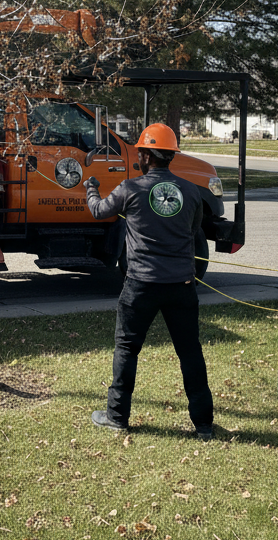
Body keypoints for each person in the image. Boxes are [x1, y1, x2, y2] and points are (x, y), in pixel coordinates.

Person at [84, 123, 214, 440]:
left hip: (140, 286)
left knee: (127, 349)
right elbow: (192, 229)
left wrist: (91, 187)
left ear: (144, 156)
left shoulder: (131, 188)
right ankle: (204, 425)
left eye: (140, 152)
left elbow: (98, 211)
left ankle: (117, 417)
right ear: (171, 156)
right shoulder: (192, 192)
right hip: (182, 286)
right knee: (190, 353)